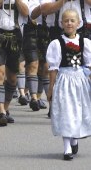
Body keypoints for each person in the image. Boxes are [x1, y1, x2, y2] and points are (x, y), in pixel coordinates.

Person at [46, 9, 91, 161]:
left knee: (78, 110)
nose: (69, 23)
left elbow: (89, 66)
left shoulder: (85, 42)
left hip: (80, 80)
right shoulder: (57, 43)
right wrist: (51, 88)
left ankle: (74, 138)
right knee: (66, 112)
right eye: (66, 21)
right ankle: (66, 147)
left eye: (72, 20)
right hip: (64, 80)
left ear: (79, 23)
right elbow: (53, 69)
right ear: (61, 24)